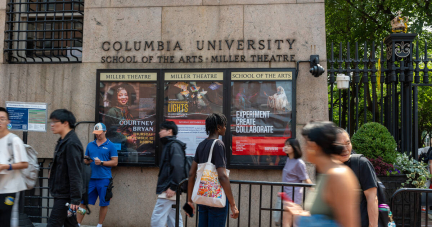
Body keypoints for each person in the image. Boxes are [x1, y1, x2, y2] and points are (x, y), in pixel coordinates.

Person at [284, 121, 359, 227]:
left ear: (313, 146)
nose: (304, 147)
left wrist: (302, 219)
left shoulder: (338, 176)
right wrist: (300, 213)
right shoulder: (325, 174)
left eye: (305, 143)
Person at [186, 113, 239, 227]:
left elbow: (191, 174)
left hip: (202, 198)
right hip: (216, 199)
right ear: (218, 127)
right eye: (224, 125)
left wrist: (189, 201)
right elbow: (222, 176)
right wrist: (233, 204)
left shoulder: (201, 145)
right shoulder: (219, 144)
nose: (225, 128)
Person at [333, 128, 379, 227]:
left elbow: (372, 198)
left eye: (348, 143)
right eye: (340, 145)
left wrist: (373, 225)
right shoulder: (327, 167)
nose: (345, 149)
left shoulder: (361, 164)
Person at [77, 123, 118, 227]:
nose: (98, 135)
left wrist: (102, 162)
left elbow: (115, 162)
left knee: (104, 203)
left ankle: (99, 225)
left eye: (99, 133)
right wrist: (87, 160)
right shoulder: (90, 145)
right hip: (90, 178)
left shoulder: (111, 145)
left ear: (105, 131)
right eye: (96, 133)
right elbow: (85, 159)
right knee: (83, 202)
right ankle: (77, 224)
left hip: (104, 179)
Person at [47, 109, 83, 227]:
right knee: (70, 225)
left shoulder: (71, 143)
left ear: (65, 123)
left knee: (53, 224)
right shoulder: (63, 141)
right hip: (62, 193)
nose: (51, 125)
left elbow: (75, 173)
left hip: (65, 196)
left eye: (55, 122)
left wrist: (75, 199)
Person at [151, 121, 186, 227]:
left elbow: (178, 167)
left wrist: (173, 187)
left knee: (157, 218)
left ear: (169, 131)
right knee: (174, 219)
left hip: (168, 190)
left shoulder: (173, 146)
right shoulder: (170, 145)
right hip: (170, 189)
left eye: (162, 129)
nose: (159, 132)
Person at [0, 107, 29, 227]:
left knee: (7, 219)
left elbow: (24, 164)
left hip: (10, 188)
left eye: (2, 119)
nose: (0, 122)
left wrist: (6, 166)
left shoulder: (14, 140)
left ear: (8, 121)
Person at [281, 138, 313, 227]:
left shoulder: (299, 163)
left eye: (288, 145)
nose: (285, 147)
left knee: (289, 222)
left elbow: (306, 179)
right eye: (285, 145)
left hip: (293, 196)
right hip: (286, 194)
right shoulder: (288, 160)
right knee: (291, 222)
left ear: (294, 147)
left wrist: (314, 190)